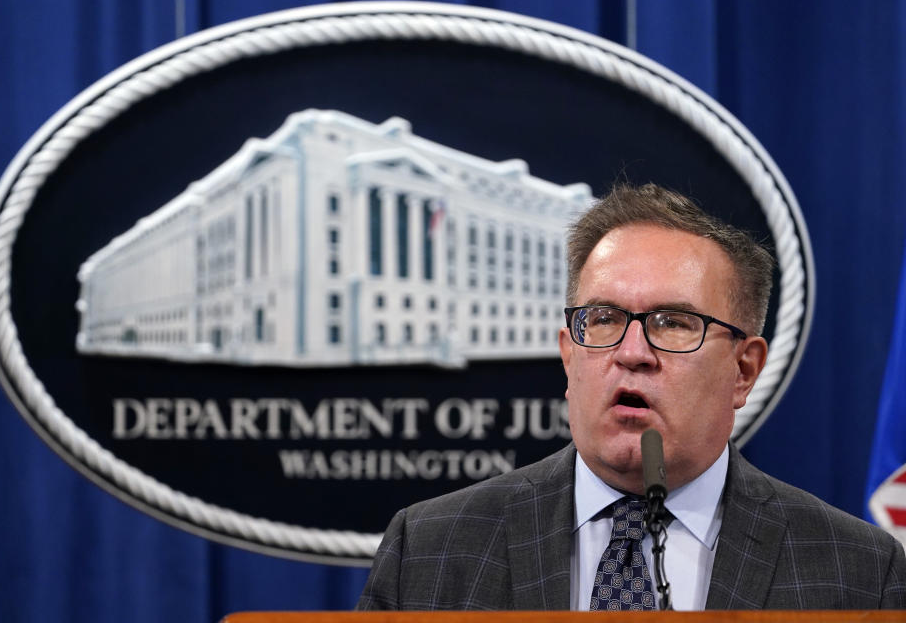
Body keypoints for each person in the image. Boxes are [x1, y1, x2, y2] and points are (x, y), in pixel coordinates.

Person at [357, 183, 906, 610]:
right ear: (569, 355)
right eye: (602, 319)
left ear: (744, 369)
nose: (632, 351)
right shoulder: (429, 551)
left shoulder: (858, 572)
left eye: (672, 323)